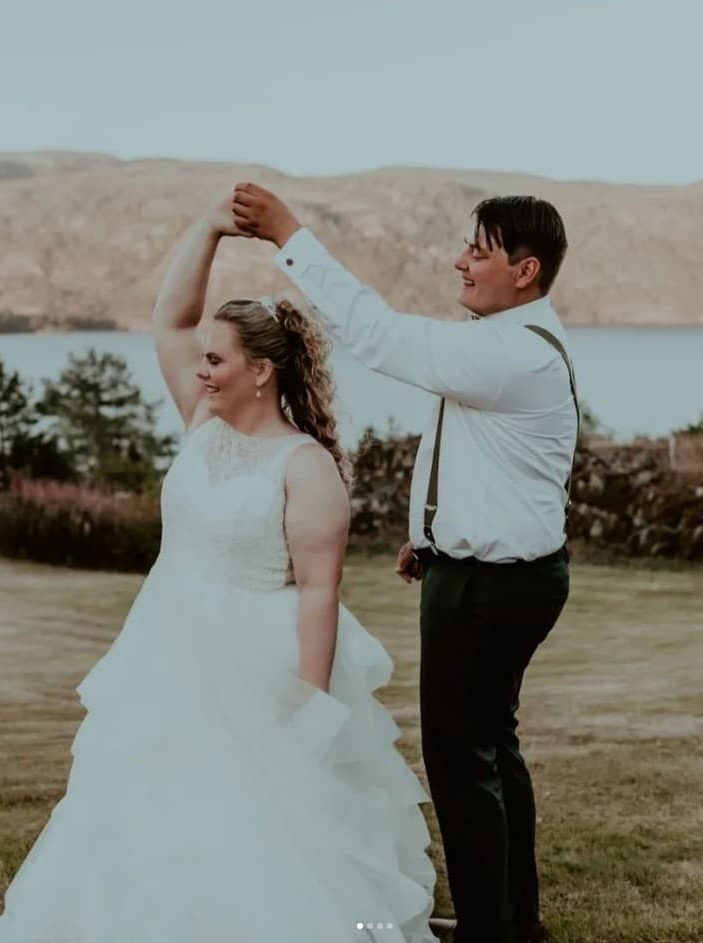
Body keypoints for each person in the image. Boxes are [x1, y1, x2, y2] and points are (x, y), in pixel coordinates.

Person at [0, 198, 438, 943]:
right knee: (141, 806)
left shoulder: (305, 466)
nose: (200, 369)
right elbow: (169, 319)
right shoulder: (203, 421)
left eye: (216, 359)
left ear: (259, 372)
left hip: (254, 665)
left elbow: (321, 593)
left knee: (259, 822)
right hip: (164, 650)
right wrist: (209, 229)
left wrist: (309, 708)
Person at [232, 183, 577, 943]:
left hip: (488, 588)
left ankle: (492, 931)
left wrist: (290, 233)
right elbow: (493, 465)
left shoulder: (507, 352)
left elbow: (375, 335)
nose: (460, 262)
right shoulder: (514, 346)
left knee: (460, 758)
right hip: (503, 573)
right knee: (493, 745)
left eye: (477, 252)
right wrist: (430, 535)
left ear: (523, 270)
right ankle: (514, 923)